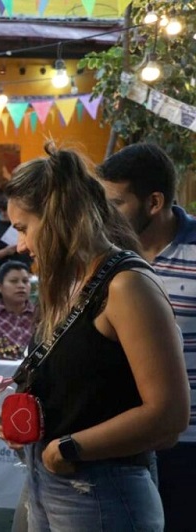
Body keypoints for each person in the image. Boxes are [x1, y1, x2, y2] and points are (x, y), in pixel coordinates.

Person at [0, 143, 189, 530]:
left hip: (100, 488)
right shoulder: (66, 283)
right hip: (50, 480)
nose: (19, 245)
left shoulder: (126, 286)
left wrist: (68, 447)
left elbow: (168, 416)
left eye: (24, 228)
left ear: (57, 219)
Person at [98, 142, 196, 532]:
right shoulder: (103, 256)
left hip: (187, 445)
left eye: (116, 203)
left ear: (154, 202)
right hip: (118, 441)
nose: (104, 215)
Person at [0, 195, 32, 268]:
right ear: (1, 211)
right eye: (4, 210)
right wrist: (5, 252)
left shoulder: (22, 225)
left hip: (25, 269)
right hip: (3, 270)